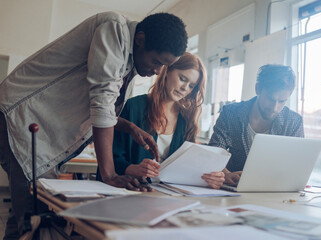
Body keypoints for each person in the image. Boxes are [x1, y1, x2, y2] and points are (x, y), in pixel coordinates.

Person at [0, 11, 187, 238]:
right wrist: (109, 174)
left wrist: (130, 127)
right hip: (19, 118)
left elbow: (103, 109)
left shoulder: (130, 61)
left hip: (36, 128)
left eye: (164, 66)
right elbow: (101, 101)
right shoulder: (114, 29)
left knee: (27, 216)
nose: (158, 71)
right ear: (140, 41)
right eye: (157, 62)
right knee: (35, 217)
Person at [105, 53, 225, 189]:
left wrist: (209, 178)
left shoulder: (186, 120)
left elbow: (187, 168)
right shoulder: (133, 107)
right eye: (182, 79)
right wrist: (133, 168)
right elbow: (110, 158)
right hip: (133, 191)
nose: (185, 88)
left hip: (167, 194)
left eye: (191, 86)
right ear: (167, 71)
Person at [208, 64, 304, 186]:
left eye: (282, 101)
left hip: (275, 189)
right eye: (270, 99)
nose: (275, 108)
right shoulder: (231, 113)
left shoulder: (294, 121)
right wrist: (225, 174)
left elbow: (297, 164)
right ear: (258, 89)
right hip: (233, 186)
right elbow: (215, 150)